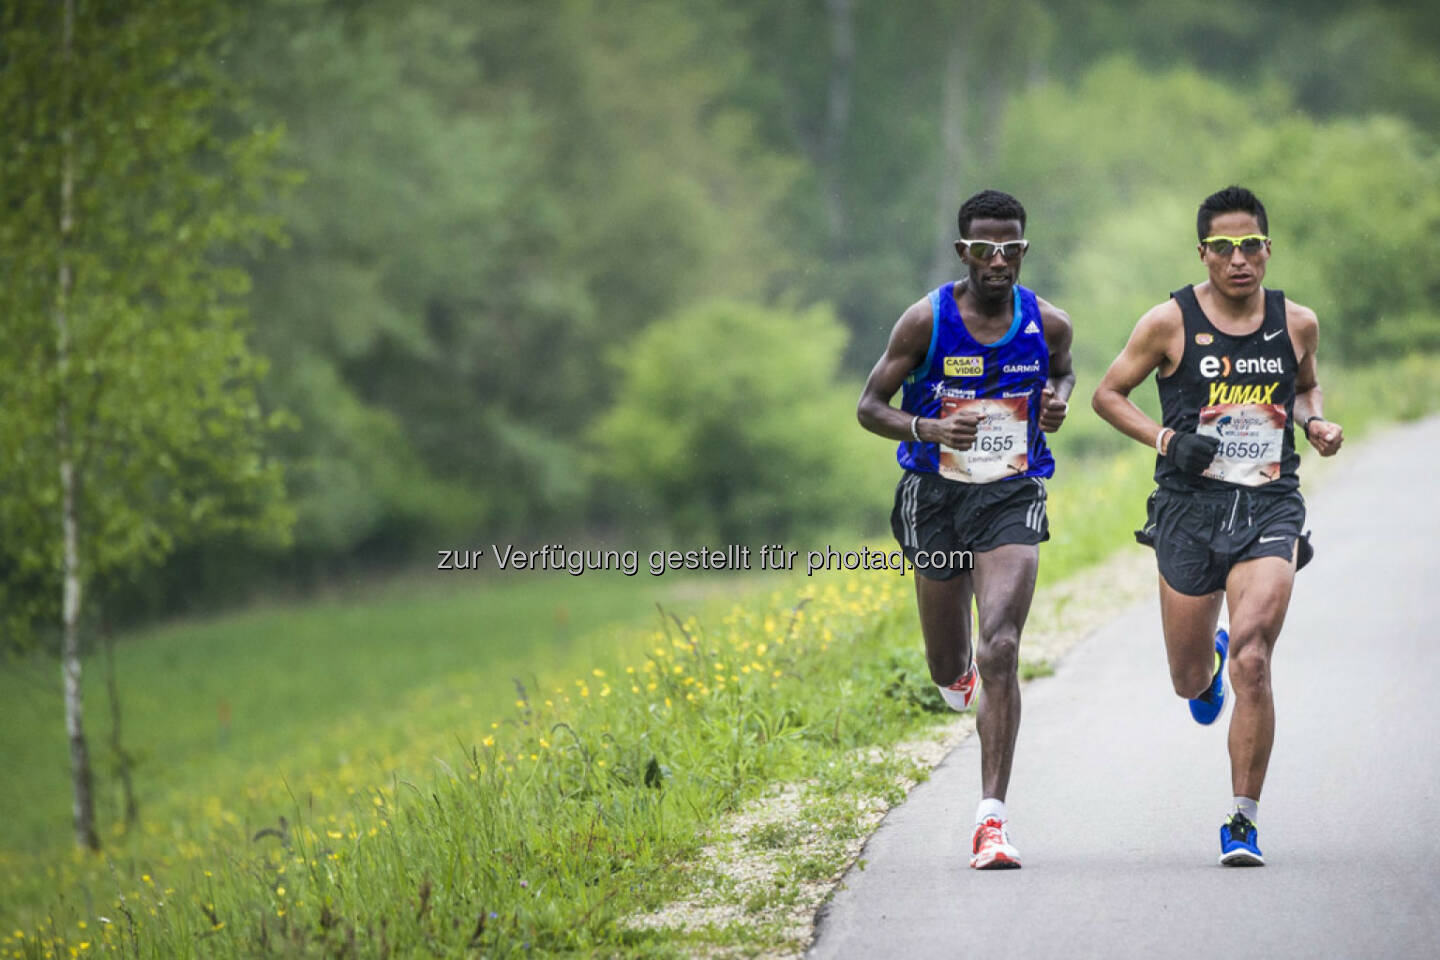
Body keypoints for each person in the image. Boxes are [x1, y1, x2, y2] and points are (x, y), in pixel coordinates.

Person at [1091, 185, 1343, 866]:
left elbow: (1303, 386)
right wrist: (1167, 442)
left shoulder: (1297, 322)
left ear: (1268, 248)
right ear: (1203, 253)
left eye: (1252, 245)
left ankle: (1242, 819)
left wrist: (1313, 421)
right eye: (1225, 248)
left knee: (1255, 658)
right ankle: (1206, 673)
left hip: (1269, 504)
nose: (1240, 259)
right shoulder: (1167, 323)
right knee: (1187, 679)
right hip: (1187, 510)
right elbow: (1107, 395)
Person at [857, 189, 1074, 870]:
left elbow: (1063, 374)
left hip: (1009, 494)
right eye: (985, 249)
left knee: (1001, 645)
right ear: (964, 252)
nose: (998, 261)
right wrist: (928, 426)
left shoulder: (1049, 323)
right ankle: (970, 695)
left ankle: (991, 823)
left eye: (1011, 248)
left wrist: (1057, 403)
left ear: (1023, 250)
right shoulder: (926, 320)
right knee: (952, 672)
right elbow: (868, 405)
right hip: (936, 497)